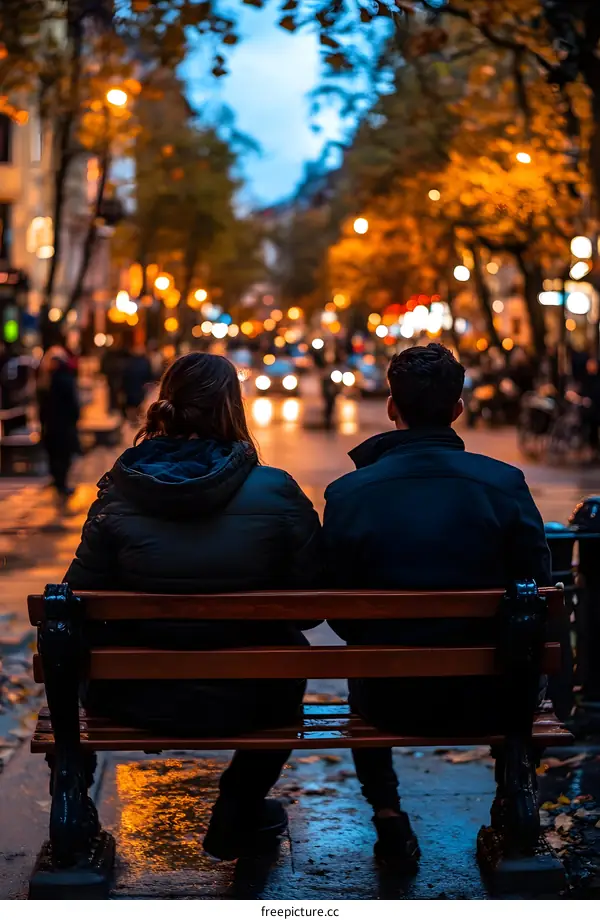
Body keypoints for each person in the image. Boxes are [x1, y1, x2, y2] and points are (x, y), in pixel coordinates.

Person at [65, 352, 322, 860]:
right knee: (287, 656)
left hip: (132, 698)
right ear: (233, 409)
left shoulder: (119, 488)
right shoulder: (276, 490)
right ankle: (238, 806)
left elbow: (74, 603)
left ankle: (75, 812)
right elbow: (311, 606)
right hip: (253, 699)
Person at [323, 343, 550, 870]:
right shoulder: (503, 484)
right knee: (524, 659)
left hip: (386, 697)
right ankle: (512, 800)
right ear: (457, 408)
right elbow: (538, 587)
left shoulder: (350, 492)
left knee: (369, 659)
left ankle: (388, 816)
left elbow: (337, 609)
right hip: (491, 696)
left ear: (390, 407)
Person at [37, 339, 80, 500]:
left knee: (54, 454)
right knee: (63, 455)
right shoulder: (65, 379)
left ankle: (57, 481)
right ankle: (61, 483)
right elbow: (73, 404)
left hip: (50, 424)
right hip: (63, 424)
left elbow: (41, 406)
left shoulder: (44, 381)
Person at [122, 343, 154, 423]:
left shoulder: (128, 362)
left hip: (131, 390)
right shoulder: (145, 362)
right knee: (140, 406)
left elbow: (124, 377)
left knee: (131, 406)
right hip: (141, 390)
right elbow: (149, 376)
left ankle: (132, 422)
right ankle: (138, 422)